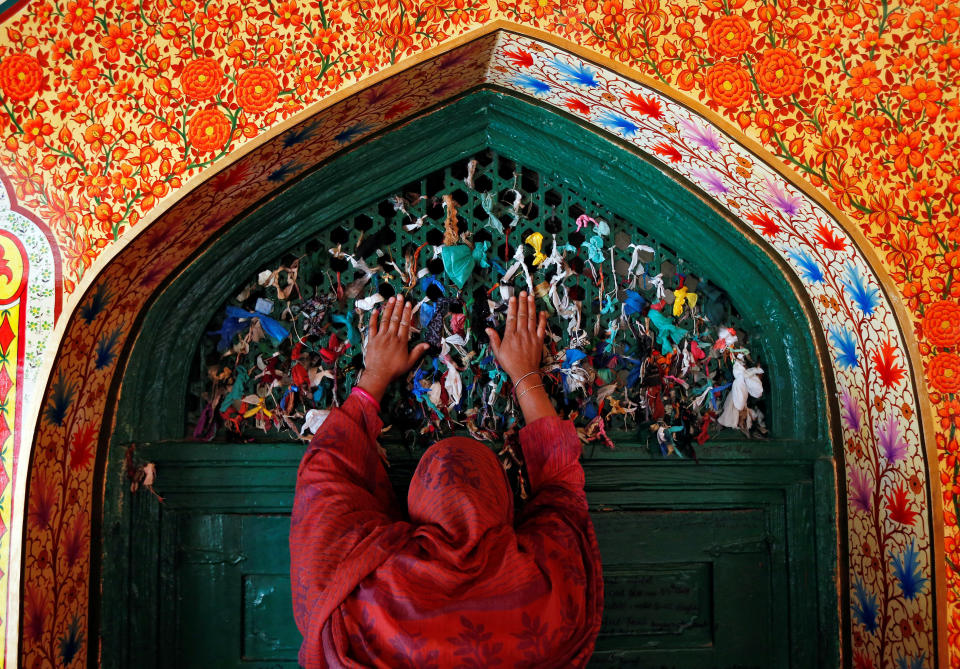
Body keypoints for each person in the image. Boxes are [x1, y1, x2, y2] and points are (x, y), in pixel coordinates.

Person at [290, 291, 604, 668]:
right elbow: (562, 499)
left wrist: (373, 378)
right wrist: (525, 377)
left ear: (415, 506)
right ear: (504, 502)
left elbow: (325, 484)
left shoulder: (360, 598)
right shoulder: (547, 596)